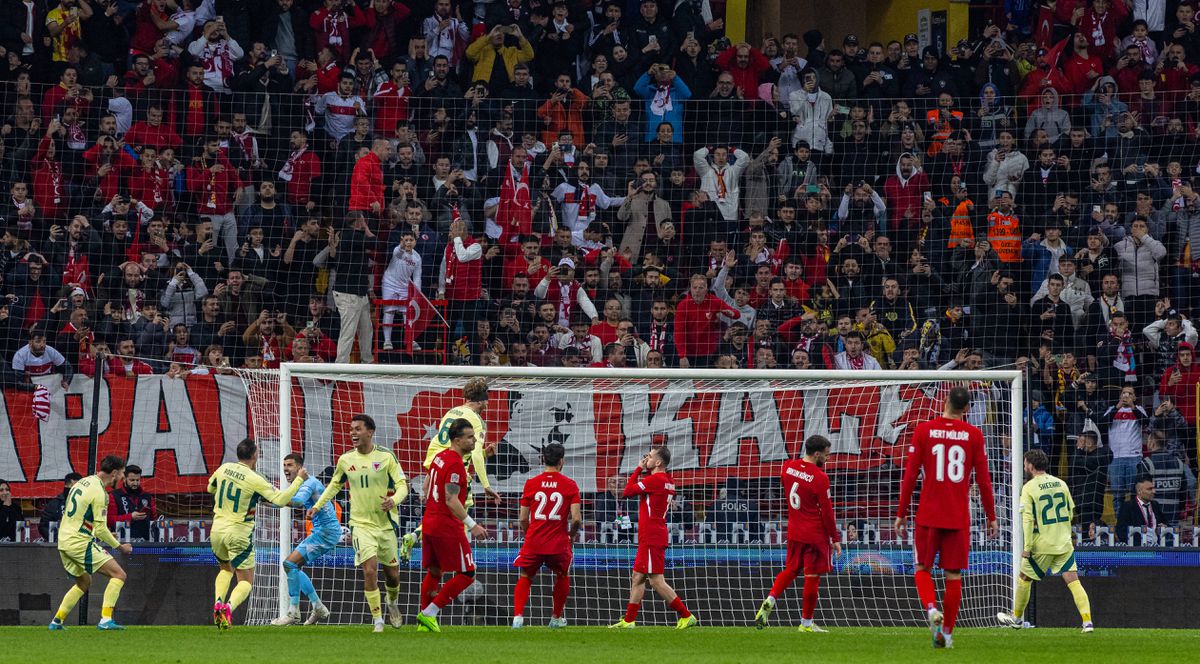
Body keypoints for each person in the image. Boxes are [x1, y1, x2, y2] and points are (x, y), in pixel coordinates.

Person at [894, 386, 998, 650]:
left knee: (922, 570)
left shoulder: (924, 430)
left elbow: (910, 476)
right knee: (953, 577)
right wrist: (991, 516)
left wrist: (901, 513)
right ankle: (947, 635)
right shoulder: (974, 435)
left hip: (928, 514)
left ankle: (931, 609)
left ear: (944, 401)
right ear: (967, 409)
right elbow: (984, 481)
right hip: (958, 517)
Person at [309, 415, 407, 632]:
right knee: (370, 570)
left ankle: (392, 603)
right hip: (360, 525)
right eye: (351, 429)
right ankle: (378, 621)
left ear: (370, 432)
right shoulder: (345, 460)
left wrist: (394, 500)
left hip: (386, 524)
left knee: (393, 574)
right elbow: (334, 486)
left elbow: (403, 486)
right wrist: (317, 505)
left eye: (358, 429)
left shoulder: (386, 457)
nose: (353, 433)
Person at [209, 438, 307, 630]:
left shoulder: (223, 468)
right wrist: (298, 481)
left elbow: (210, 488)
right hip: (238, 532)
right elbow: (279, 500)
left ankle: (218, 604)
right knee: (245, 581)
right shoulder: (255, 478)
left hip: (217, 529)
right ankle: (227, 609)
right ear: (255, 455)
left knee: (225, 569)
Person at [400, 377, 500, 561]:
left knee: (438, 509)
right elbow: (474, 454)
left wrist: (485, 453)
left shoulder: (451, 412)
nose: (487, 403)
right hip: (453, 469)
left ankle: (414, 536)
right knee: (460, 509)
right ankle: (461, 558)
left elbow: (450, 444)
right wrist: (486, 485)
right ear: (480, 401)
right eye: (486, 400)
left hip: (437, 464)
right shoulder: (476, 421)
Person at [997, 450, 1094, 633]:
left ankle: (1016, 618)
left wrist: (1027, 547)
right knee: (1074, 581)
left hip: (1041, 544)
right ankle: (1087, 622)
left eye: (1025, 463)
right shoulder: (1061, 483)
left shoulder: (1029, 488)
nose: (1024, 466)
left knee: (1024, 578)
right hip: (1063, 542)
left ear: (1031, 466)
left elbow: (1027, 520)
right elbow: (1071, 512)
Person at [754, 435, 841, 632]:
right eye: (826, 455)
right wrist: (834, 538)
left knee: (791, 570)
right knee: (812, 577)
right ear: (817, 454)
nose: (828, 459)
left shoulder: (787, 467)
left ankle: (770, 600)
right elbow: (827, 512)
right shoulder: (820, 478)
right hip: (814, 534)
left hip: (794, 531)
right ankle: (806, 624)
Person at [414, 417, 490, 633]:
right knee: (467, 574)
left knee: (435, 571)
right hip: (447, 525)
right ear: (457, 440)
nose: (475, 441)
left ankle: (424, 622)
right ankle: (429, 613)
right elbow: (450, 498)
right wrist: (472, 524)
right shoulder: (455, 463)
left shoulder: (440, 456)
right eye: (470, 437)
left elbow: (427, 484)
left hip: (429, 521)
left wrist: (429, 500)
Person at [610, 445, 696, 629]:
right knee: (637, 577)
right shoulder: (668, 481)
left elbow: (626, 492)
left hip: (651, 535)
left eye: (649, 456)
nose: (645, 458)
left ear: (658, 462)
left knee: (656, 580)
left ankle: (686, 615)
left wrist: (639, 469)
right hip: (653, 533)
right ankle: (629, 620)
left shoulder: (655, 480)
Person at [48, 455, 133, 631]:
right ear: (115, 473)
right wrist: (120, 546)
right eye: (123, 474)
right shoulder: (100, 493)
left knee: (84, 582)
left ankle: (57, 621)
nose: (123, 478)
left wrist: (97, 531)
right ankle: (106, 620)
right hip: (79, 542)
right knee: (119, 575)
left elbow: (81, 516)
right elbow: (101, 530)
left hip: (63, 541)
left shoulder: (83, 482)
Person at [511, 442, 581, 629]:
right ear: (561, 461)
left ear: (544, 459)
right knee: (562, 575)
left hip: (534, 541)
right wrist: (570, 536)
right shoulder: (570, 485)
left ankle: (518, 618)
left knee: (525, 576)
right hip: (558, 543)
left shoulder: (531, 483)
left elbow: (523, 518)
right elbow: (576, 519)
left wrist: (530, 535)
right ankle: (556, 618)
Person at [271, 453, 337, 626]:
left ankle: (293, 612)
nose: (286, 469)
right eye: (284, 465)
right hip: (323, 531)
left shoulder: (308, 483)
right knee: (295, 567)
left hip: (326, 532)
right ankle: (318, 606)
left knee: (289, 564)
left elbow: (298, 502)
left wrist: (268, 498)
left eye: (290, 465)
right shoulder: (307, 483)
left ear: (300, 468)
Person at [108, 465, 157, 541]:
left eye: (138, 480)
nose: (135, 483)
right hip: (122, 543)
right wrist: (130, 517)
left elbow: (154, 521)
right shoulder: (114, 496)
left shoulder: (148, 497)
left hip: (146, 542)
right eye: (132, 480)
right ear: (124, 479)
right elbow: (109, 520)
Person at [1115, 477, 1166, 543]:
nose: (1154, 491)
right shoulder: (1128, 506)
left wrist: (1164, 526)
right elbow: (1121, 531)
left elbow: (1165, 523)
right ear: (1139, 491)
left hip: (1156, 548)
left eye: (1154, 488)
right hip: (1137, 549)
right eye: (1149, 489)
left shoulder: (1155, 505)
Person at [38, 472, 83, 541]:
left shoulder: (84, 503)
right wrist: (57, 538)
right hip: (58, 545)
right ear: (72, 482)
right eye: (79, 485)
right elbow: (44, 526)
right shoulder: (55, 504)